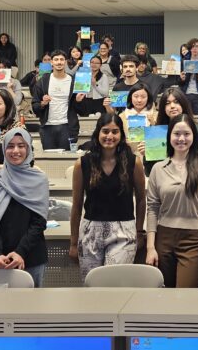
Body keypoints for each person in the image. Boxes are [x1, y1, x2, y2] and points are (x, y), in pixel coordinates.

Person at [145, 114, 198, 288]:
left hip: (194, 239)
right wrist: (150, 248)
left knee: (186, 294)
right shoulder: (158, 168)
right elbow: (152, 209)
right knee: (164, 295)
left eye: (186, 134)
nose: (181, 139)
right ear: (169, 136)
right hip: (164, 238)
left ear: (194, 136)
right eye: (176, 134)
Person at [69, 114, 146, 279]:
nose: (109, 136)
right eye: (105, 131)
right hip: (90, 231)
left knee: (113, 283)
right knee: (92, 284)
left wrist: (139, 232)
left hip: (124, 232)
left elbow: (141, 200)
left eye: (115, 131)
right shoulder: (82, 163)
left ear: (121, 135)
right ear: (98, 133)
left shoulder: (134, 162)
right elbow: (76, 205)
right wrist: (73, 243)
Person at [0, 128, 49, 287]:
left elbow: (39, 222)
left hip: (31, 256)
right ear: (3, 149)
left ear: (29, 149)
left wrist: (20, 252)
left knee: (32, 302)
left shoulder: (39, 180)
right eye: (10, 146)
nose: (15, 151)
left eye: (21, 145)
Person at [31, 50, 85, 150]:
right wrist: (43, 103)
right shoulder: (43, 81)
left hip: (67, 127)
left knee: (66, 157)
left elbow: (82, 110)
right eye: (56, 60)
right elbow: (35, 106)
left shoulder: (73, 81)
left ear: (65, 62)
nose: (59, 62)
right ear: (51, 62)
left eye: (61, 59)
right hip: (47, 127)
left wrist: (78, 101)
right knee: (49, 158)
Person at [155, 88, 198, 165]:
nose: (172, 106)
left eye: (176, 102)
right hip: (164, 171)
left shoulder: (197, 128)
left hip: (192, 170)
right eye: (167, 103)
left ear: (183, 104)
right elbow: (151, 167)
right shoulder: (157, 131)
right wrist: (147, 154)